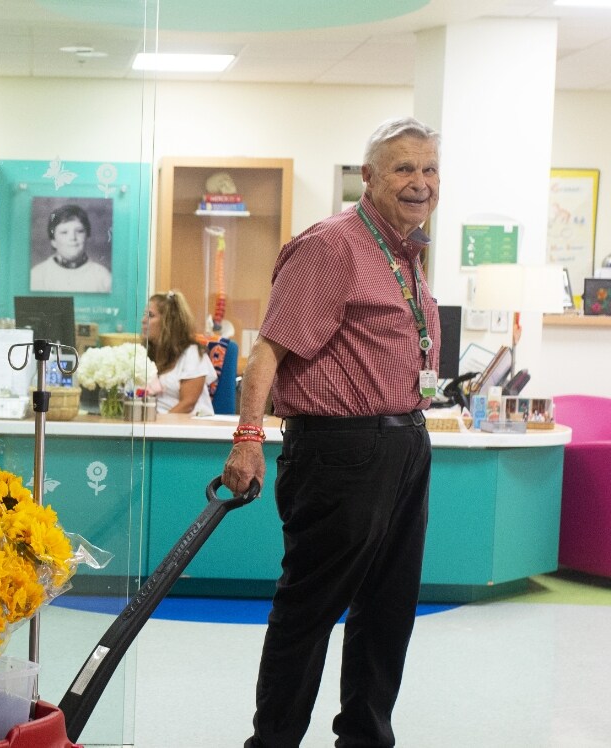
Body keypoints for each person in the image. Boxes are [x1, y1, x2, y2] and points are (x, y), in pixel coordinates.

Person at [221, 117, 441, 748]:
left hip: (405, 444)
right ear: (368, 177)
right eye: (403, 168)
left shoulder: (405, 255)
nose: (419, 182)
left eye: (428, 169)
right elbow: (267, 352)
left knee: (388, 613)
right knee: (309, 612)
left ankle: (367, 740)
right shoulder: (332, 246)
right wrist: (249, 439)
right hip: (341, 450)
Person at [142, 290, 215, 414]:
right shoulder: (147, 353)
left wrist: (157, 426)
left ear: (168, 322)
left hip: (187, 428)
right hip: (155, 426)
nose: (143, 320)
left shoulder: (192, 354)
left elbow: (187, 404)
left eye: (150, 315)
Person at [29, 203, 112, 293]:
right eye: (64, 232)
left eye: (79, 231)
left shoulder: (103, 277)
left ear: (87, 237)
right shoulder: (37, 276)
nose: (73, 238)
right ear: (53, 241)